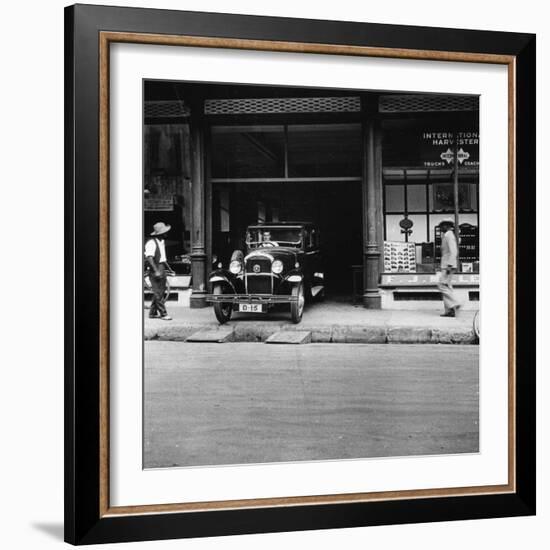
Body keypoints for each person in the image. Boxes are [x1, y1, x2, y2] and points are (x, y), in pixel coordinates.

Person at [144, 222, 172, 320]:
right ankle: (163, 314)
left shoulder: (161, 242)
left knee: (160, 292)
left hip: (161, 267)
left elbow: (163, 259)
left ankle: (152, 312)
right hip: (155, 268)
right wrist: (156, 271)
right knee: (158, 293)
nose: (167, 234)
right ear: (160, 233)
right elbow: (149, 258)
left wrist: (169, 269)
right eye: (165, 232)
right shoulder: (151, 243)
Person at [437, 218, 461, 318]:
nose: (441, 228)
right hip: (447, 265)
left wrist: (449, 266)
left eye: (442, 225)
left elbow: (453, 251)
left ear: (447, 226)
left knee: (442, 286)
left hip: (448, 266)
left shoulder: (449, 235)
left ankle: (455, 303)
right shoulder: (448, 235)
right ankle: (450, 311)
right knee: (447, 286)